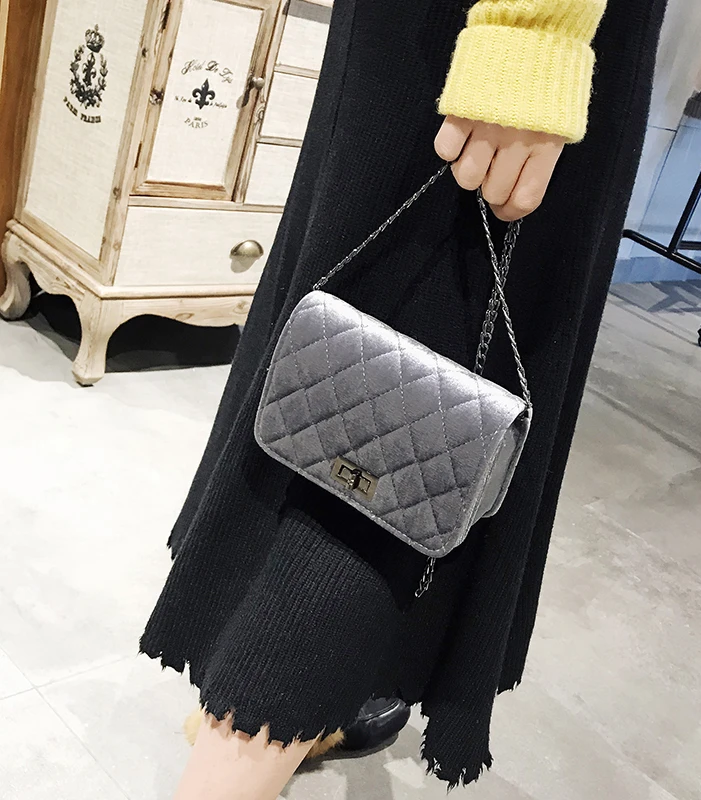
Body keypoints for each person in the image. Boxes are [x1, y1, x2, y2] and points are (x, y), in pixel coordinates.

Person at [140, 0, 668, 797]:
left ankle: (284, 709)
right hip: (489, 33)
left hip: (464, 32)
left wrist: (528, 35)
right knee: (383, 408)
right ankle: (259, 729)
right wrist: (528, 36)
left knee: (369, 388)